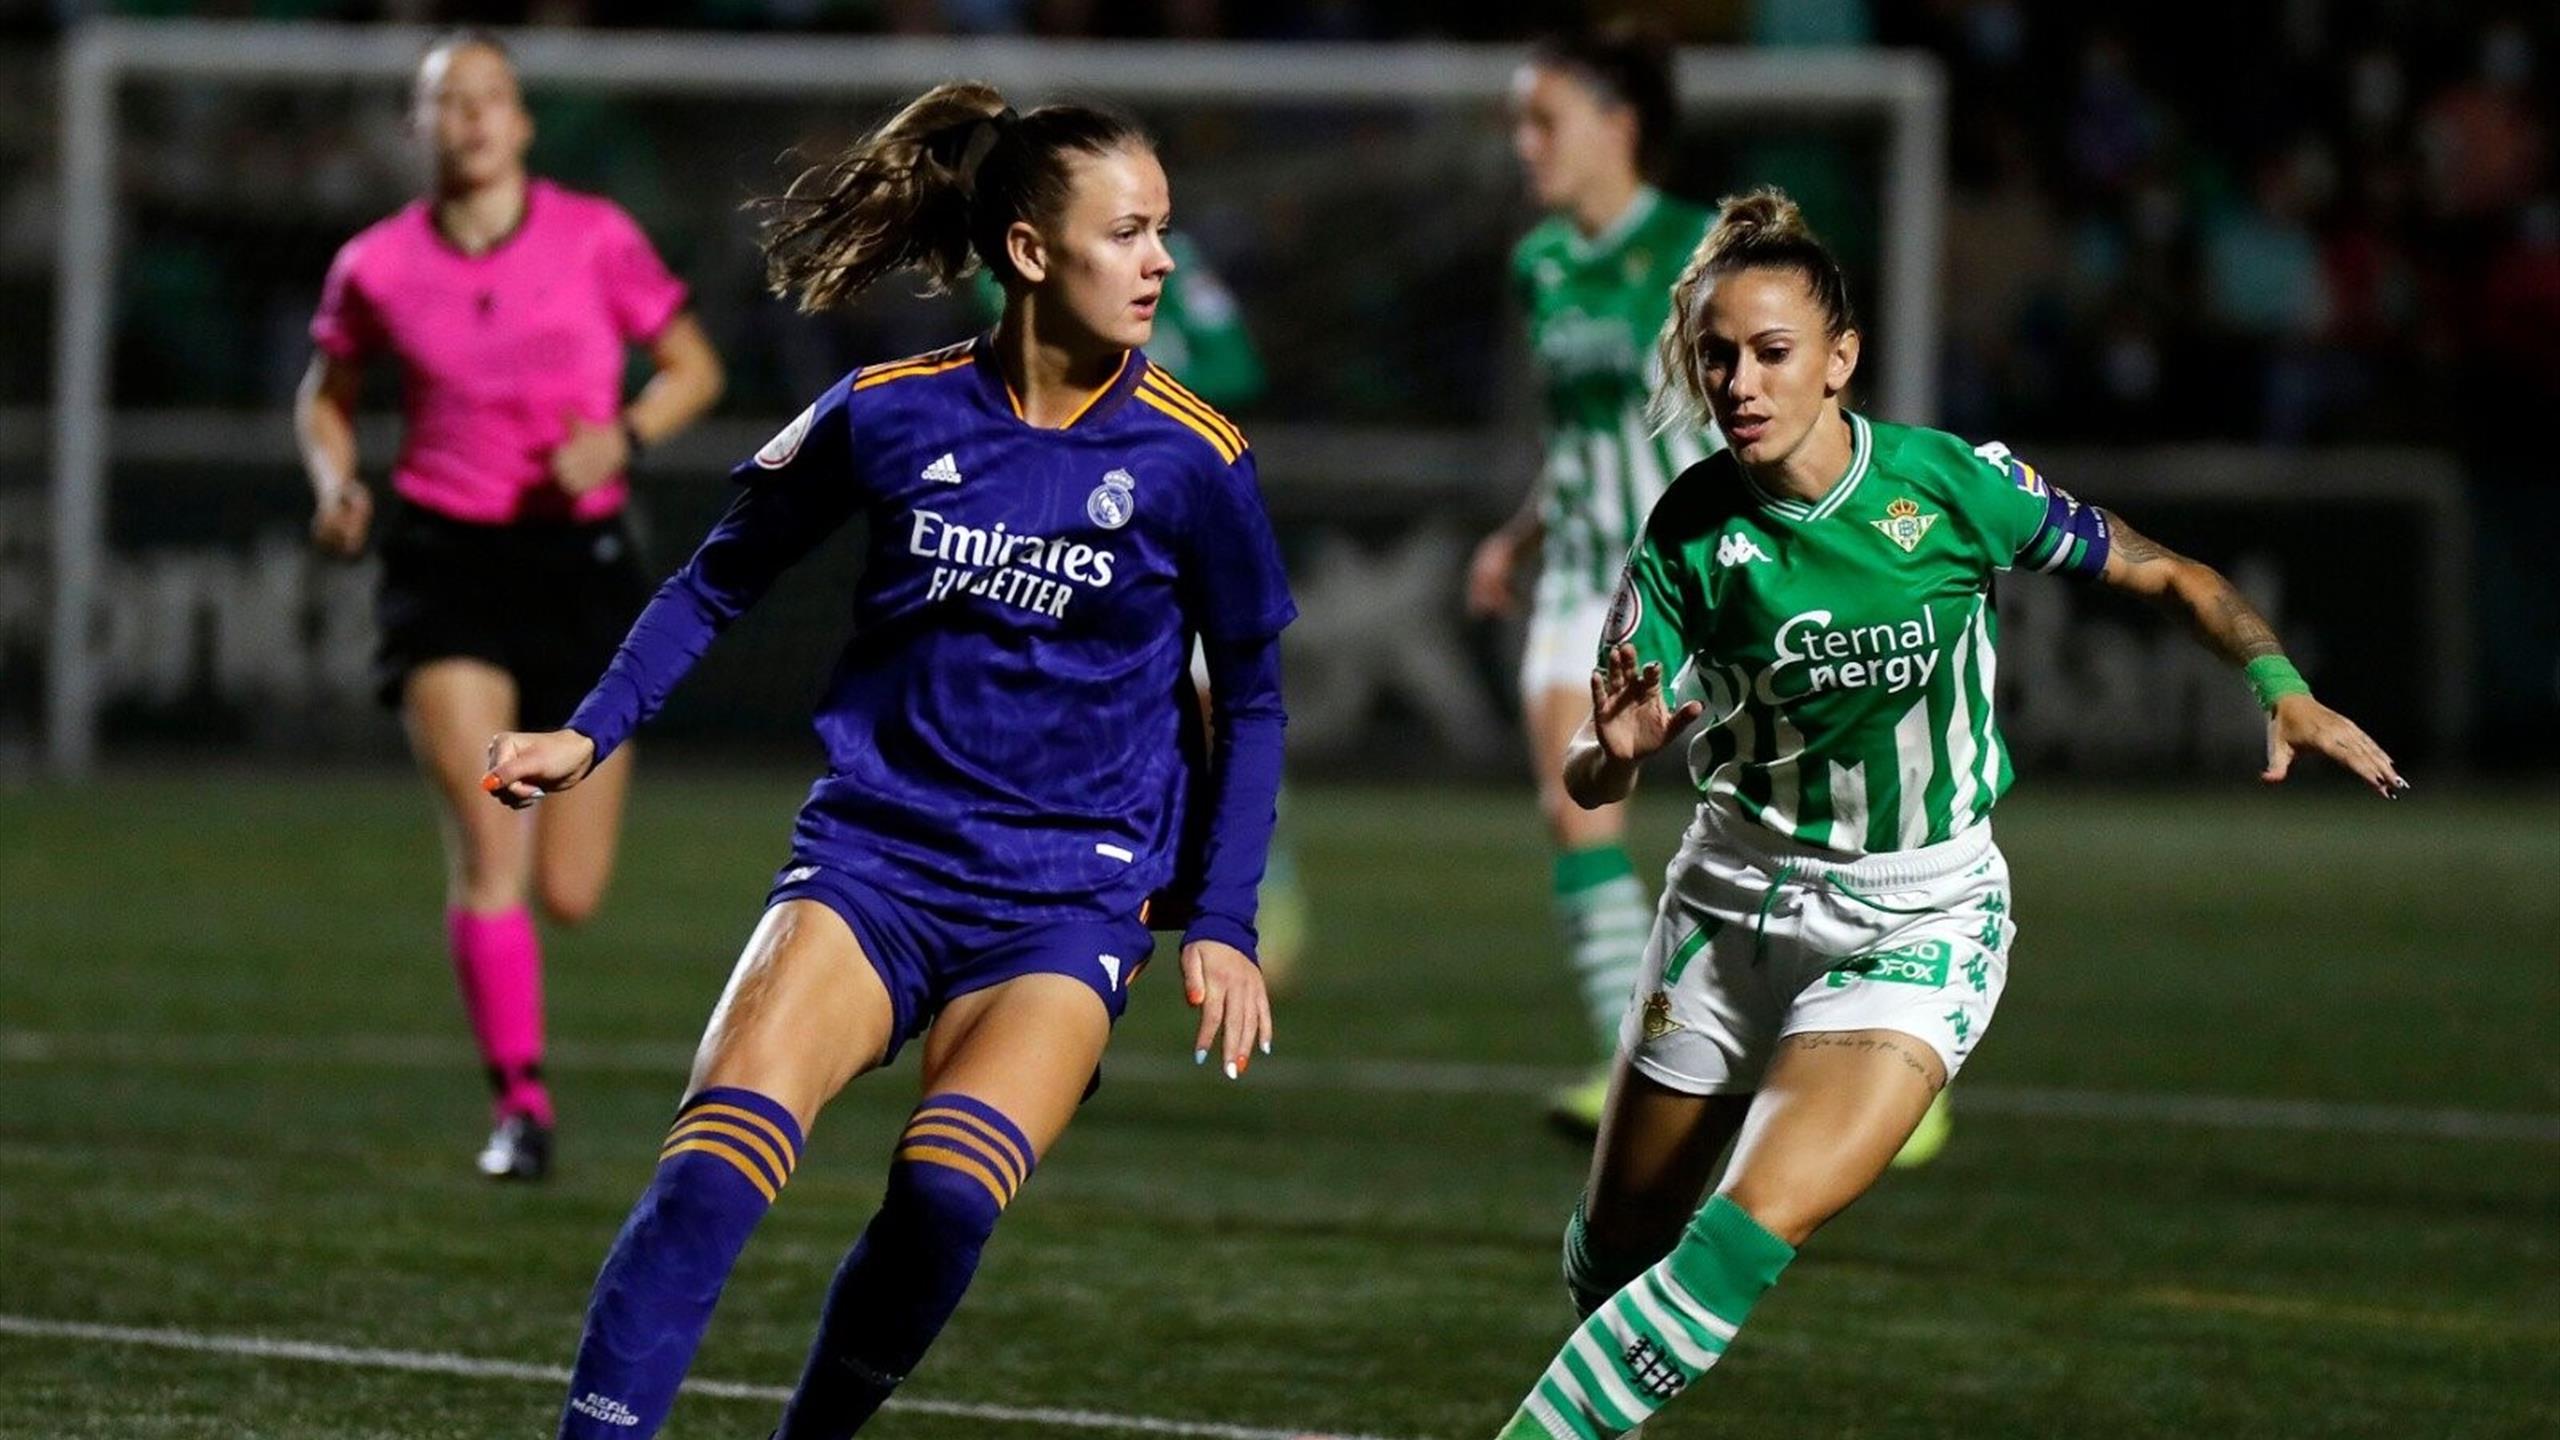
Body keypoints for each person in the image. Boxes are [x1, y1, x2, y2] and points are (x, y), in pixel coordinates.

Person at [1490, 189, 2405, 1440]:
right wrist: (1616, 752)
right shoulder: (1687, 530)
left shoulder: (1951, 485)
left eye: (1771, 353)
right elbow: (1590, 775)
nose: (1740, 384)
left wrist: (2278, 683)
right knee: (1614, 1259)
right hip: (1726, 906)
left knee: (1739, 1237)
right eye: (1717, 357)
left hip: (1914, 918)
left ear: (1840, 358)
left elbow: (2168, 574)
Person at [480, 83, 1292, 1440]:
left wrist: (1223, 921)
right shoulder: (887, 411)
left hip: (1065, 904)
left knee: (944, 1197)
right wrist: (587, 730)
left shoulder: (1195, 460)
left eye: (1163, 229)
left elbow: (1254, 699)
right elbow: (715, 581)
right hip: (872, 866)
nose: (1161, 262)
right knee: (709, 1173)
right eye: (1129, 233)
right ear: (1029, 251)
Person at [294, 29, 723, 1181]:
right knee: (489, 851)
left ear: (523, 122)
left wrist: (622, 435)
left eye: (491, 96)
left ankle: (523, 922)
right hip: (447, 567)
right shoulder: (376, 264)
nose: (474, 116)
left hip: (579, 564)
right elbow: (327, 394)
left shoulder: (595, 236)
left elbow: (694, 367)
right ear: (417, 128)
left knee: (569, 891)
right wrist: (336, 483)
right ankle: (521, 1108)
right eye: (450, 99)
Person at [1463, 22, 1722, 1137]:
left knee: (1774, 822)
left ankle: (1868, 1054)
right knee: (1576, 811)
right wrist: (1516, 538)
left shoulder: (1706, 248)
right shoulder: (1541, 264)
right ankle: (1645, 1066)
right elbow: (1576, 438)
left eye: (1544, 121)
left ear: (1619, 125)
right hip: (1581, 575)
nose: (1526, 144)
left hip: (1698, 567)